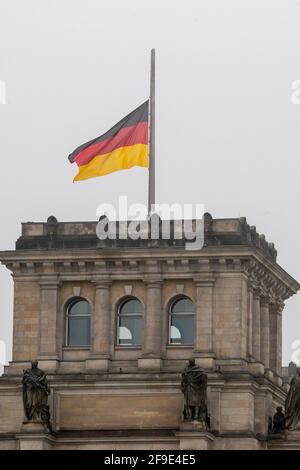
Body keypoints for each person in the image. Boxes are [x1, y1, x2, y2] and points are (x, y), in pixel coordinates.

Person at [22, 360, 51, 430]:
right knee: (29, 404)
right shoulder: (28, 372)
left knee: (37, 404)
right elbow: (24, 381)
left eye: (34, 364)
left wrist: (46, 388)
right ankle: (31, 418)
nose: (33, 365)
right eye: (32, 364)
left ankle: (37, 417)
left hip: (38, 391)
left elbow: (44, 382)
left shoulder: (40, 372)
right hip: (30, 391)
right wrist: (30, 383)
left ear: (36, 364)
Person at [181, 358, 208, 424]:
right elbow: (183, 378)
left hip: (197, 389)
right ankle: (189, 416)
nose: (191, 362)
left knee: (196, 402)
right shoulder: (186, 369)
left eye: (191, 362)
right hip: (189, 387)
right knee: (189, 402)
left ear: (194, 362)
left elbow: (204, 375)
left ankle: (196, 415)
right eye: (190, 362)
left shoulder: (199, 369)